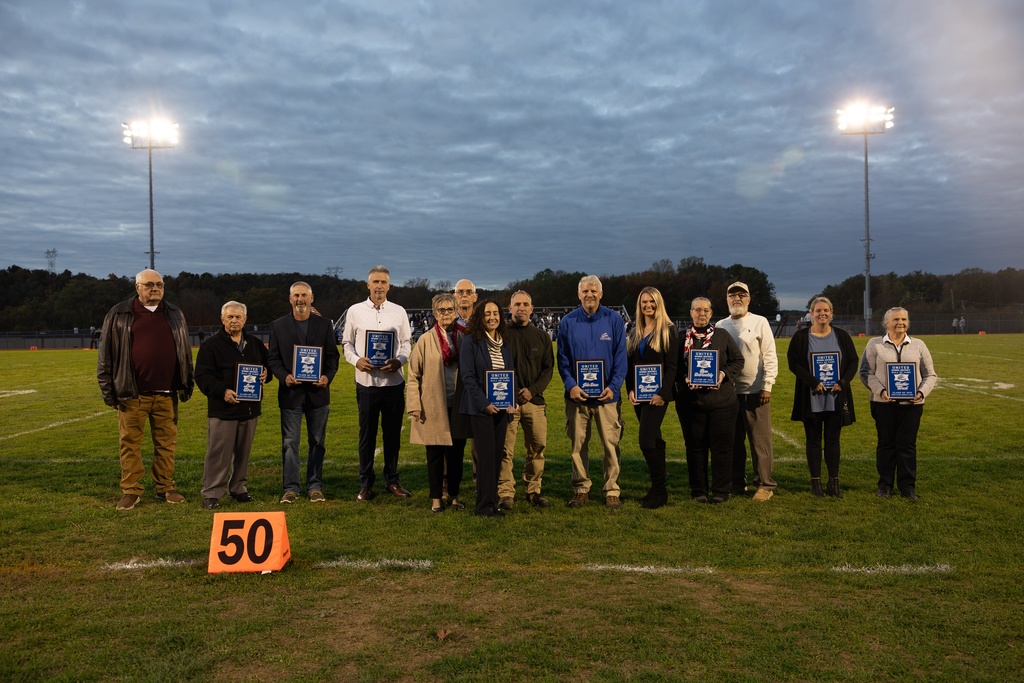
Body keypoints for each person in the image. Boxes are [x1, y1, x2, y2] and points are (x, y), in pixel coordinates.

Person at [97, 269, 194, 510]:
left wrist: (187, 382)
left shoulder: (174, 313)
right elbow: (105, 355)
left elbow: (185, 351)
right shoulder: (119, 313)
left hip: (167, 394)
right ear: (137, 287)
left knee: (166, 444)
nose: (155, 289)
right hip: (132, 394)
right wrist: (108, 390)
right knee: (130, 443)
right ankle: (131, 490)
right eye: (149, 284)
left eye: (160, 284)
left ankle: (165, 487)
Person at [342, 266, 414, 501]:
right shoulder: (354, 311)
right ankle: (365, 483)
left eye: (383, 282)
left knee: (392, 435)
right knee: (367, 435)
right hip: (366, 383)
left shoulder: (399, 311)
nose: (379, 286)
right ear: (368, 285)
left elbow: (406, 343)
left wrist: (400, 360)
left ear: (389, 286)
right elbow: (347, 344)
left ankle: (392, 480)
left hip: (394, 382)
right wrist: (356, 361)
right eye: (376, 282)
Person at [556, 275, 628, 509]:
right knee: (578, 445)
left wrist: (613, 387)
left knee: (610, 443)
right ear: (579, 294)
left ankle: (611, 489)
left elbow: (620, 357)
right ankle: (581, 488)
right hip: (577, 397)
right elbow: (563, 358)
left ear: (601, 293)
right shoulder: (568, 321)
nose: (589, 295)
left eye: (593, 291)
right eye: (585, 291)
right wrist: (571, 385)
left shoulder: (614, 319)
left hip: (607, 396)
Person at [268, 281, 341, 503]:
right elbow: (273, 358)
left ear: (312, 298)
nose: (300, 299)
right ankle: (290, 488)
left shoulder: (324, 324)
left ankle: (315, 486)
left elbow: (332, 357)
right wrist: (284, 376)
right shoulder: (278, 325)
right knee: (290, 443)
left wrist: (327, 377)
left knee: (317, 442)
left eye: (304, 295)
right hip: (291, 393)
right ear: (290, 299)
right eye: (296, 295)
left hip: (318, 394)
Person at [194, 301, 271, 509]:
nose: (234, 321)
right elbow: (202, 376)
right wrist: (223, 392)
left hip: (249, 409)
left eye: (238, 317)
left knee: (243, 453)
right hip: (223, 410)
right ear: (222, 319)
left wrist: (266, 374)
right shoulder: (211, 345)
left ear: (245, 319)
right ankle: (212, 493)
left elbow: (267, 367)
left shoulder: (254, 344)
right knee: (219, 454)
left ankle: (238, 488)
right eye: (230, 317)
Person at [859, 307, 938, 499]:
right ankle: (884, 485)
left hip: (912, 405)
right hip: (883, 403)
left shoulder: (919, 345)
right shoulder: (874, 344)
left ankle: (907, 487)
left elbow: (931, 375)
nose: (900, 323)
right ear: (886, 323)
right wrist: (881, 391)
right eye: (895, 319)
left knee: (907, 445)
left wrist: (921, 392)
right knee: (886, 444)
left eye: (903, 319)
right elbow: (865, 372)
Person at [787, 296, 858, 498]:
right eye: (818, 310)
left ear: (832, 313)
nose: (822, 313)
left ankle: (833, 482)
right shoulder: (801, 337)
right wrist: (812, 382)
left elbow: (853, 361)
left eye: (826, 310)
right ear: (811, 313)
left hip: (835, 397)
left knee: (833, 441)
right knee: (813, 440)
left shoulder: (842, 336)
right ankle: (816, 482)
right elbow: (794, 363)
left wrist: (842, 382)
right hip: (811, 397)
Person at [675, 297, 743, 504]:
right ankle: (699, 491)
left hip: (722, 403)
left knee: (722, 448)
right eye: (697, 310)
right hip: (691, 403)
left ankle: (721, 491)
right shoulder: (680, 338)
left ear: (711, 313)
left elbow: (738, 360)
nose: (701, 314)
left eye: (705, 310)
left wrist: (723, 374)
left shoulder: (722, 335)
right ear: (691, 312)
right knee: (695, 447)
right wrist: (685, 378)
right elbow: (673, 367)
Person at [716, 281, 778, 502]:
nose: (737, 299)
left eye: (742, 295)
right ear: (726, 299)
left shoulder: (759, 322)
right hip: (729, 392)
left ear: (749, 299)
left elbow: (770, 355)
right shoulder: (720, 325)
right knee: (734, 441)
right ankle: (737, 481)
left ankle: (765, 484)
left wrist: (767, 385)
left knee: (759, 441)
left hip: (755, 391)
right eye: (732, 295)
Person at [407, 294, 467, 513]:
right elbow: (413, 375)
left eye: (450, 310)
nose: (446, 314)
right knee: (434, 455)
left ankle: (454, 496)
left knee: (456, 455)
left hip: (459, 405)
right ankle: (435, 499)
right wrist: (414, 404)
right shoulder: (424, 340)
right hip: (433, 406)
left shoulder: (464, 338)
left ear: (456, 311)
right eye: (441, 311)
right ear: (434, 313)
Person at [459, 299, 517, 516]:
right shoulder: (471, 341)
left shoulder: (505, 342)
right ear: (479, 317)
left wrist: (511, 401)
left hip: (502, 410)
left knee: (496, 456)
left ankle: (492, 502)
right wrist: (485, 404)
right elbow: (468, 377)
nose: (492, 317)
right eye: (487, 313)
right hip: (481, 409)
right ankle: (483, 505)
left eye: (495, 313)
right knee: (485, 457)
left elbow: (512, 373)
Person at [499, 290, 555, 509]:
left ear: (532, 309)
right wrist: (509, 394)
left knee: (538, 447)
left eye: (525, 304)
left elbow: (548, 370)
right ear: (510, 308)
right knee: (505, 450)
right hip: (508, 403)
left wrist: (532, 391)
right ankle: (506, 493)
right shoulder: (500, 334)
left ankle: (534, 490)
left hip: (535, 401)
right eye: (517, 304)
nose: (521, 308)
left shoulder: (541, 337)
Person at [625, 287, 679, 509]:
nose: (648, 305)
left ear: (659, 303)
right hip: (640, 395)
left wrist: (663, 394)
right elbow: (630, 365)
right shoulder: (635, 330)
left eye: (652, 302)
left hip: (657, 396)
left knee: (646, 441)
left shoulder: (668, 330)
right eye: (644, 302)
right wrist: (630, 389)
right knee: (654, 439)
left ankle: (660, 489)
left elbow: (673, 367)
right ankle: (656, 489)